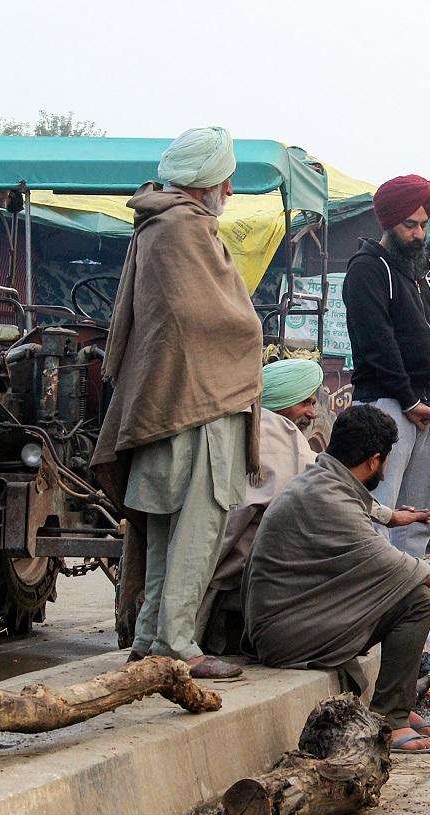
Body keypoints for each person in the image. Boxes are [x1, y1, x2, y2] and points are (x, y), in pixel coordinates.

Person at [91, 127, 262, 679]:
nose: (230, 190)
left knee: (168, 528)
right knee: (197, 529)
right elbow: (198, 317)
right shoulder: (182, 228)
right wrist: (250, 332)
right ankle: (177, 644)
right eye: (226, 179)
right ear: (205, 180)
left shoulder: (158, 224)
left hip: (170, 398)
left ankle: (150, 639)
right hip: (200, 403)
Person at [243, 406, 430, 753]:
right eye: (385, 462)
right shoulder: (329, 500)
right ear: (374, 460)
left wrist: (393, 518)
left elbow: (365, 505)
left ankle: (399, 706)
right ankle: (392, 721)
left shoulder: (321, 479)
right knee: (416, 602)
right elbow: (393, 564)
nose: (385, 470)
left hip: (296, 616)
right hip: (286, 636)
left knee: (408, 597)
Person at [197, 359, 430, 653]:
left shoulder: (249, 429)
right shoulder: (280, 435)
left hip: (239, 581)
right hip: (257, 588)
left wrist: (390, 517)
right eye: (305, 403)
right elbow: (330, 486)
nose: (312, 412)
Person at [343, 174, 430, 559]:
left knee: (421, 509)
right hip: (386, 405)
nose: (418, 234)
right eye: (410, 225)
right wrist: (409, 401)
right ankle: (375, 586)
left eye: (424, 225)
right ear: (389, 222)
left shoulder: (429, 273)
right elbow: (377, 344)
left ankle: (410, 585)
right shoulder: (368, 269)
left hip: (428, 408)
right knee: (379, 507)